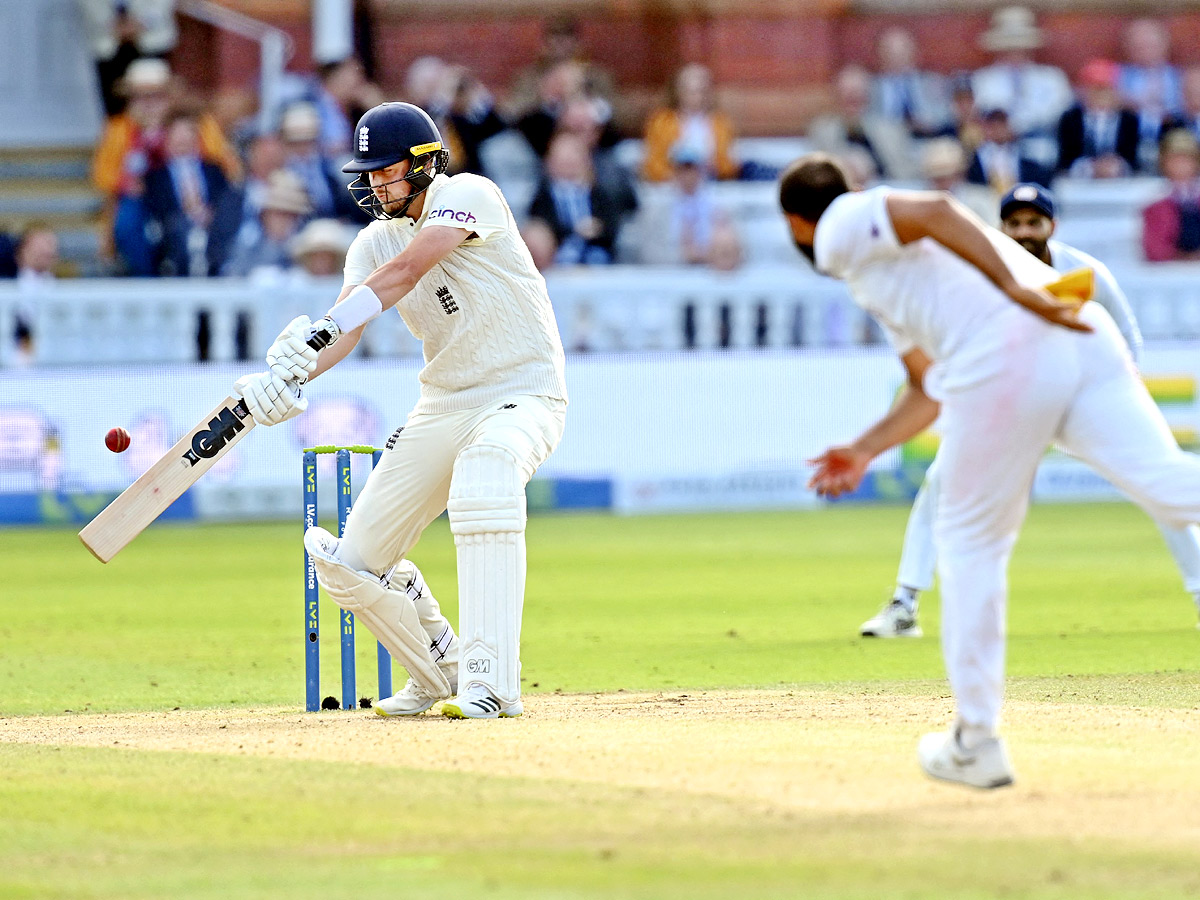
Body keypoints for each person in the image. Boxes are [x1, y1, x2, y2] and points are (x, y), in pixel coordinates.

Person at [783, 152, 1200, 788]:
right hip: (1077, 334)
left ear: (796, 223)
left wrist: (1012, 291)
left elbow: (933, 208)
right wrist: (865, 448)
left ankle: (976, 740)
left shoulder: (839, 221)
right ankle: (973, 739)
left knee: (970, 542)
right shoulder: (880, 276)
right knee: (1171, 487)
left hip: (1013, 342)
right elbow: (927, 389)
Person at [231, 102, 567, 719]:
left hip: (523, 391)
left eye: (388, 171)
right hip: (444, 402)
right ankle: (442, 673)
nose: (376, 184)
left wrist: (322, 331)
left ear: (423, 163)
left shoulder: (469, 193)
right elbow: (349, 327)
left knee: (487, 471)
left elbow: (409, 271)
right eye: (369, 173)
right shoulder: (371, 241)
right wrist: (292, 372)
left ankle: (491, 684)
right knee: (347, 564)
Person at [859, 181, 1200, 639]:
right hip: (1015, 404)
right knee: (942, 482)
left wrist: (1117, 393)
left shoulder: (1084, 272)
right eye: (1014, 224)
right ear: (1001, 229)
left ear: (1051, 226)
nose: (1024, 232)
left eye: (1033, 223)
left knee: (1158, 480)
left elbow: (1126, 334)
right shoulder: (981, 274)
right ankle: (904, 606)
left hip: (1086, 403)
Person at [971, 6, 1072, 168]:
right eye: (1009, 47)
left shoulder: (1051, 77)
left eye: (1020, 47)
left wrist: (1021, 125)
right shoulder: (982, 79)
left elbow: (1061, 111)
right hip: (998, 153)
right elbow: (983, 111)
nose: (1015, 52)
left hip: (1042, 148)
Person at [808, 65, 918, 181]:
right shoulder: (823, 130)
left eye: (857, 91)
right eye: (847, 92)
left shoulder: (891, 129)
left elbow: (907, 171)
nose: (853, 96)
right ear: (837, 94)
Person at [641, 63, 740, 183]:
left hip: (711, 184)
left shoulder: (720, 123)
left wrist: (713, 168)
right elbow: (653, 165)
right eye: (690, 91)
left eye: (701, 91)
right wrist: (679, 178)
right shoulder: (661, 122)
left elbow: (728, 166)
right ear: (677, 91)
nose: (697, 97)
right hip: (671, 187)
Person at [1056, 59, 1141, 178]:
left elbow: (1132, 157)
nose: (1101, 96)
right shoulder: (1071, 119)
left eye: (1106, 89)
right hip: (1081, 179)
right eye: (1095, 90)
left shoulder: (1129, 120)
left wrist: (1116, 166)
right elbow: (1065, 158)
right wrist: (1090, 167)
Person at [869, 26, 952, 140]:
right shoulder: (870, 87)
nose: (896, 57)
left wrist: (929, 122)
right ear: (880, 55)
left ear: (915, 53)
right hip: (885, 144)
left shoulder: (932, 82)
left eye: (902, 51)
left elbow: (948, 116)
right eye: (890, 52)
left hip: (929, 141)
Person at [1142, 128, 1200, 262]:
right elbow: (1155, 250)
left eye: (1186, 159)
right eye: (1174, 160)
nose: (1180, 165)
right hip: (1169, 275)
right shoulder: (1155, 202)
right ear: (1163, 163)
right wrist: (1187, 258)